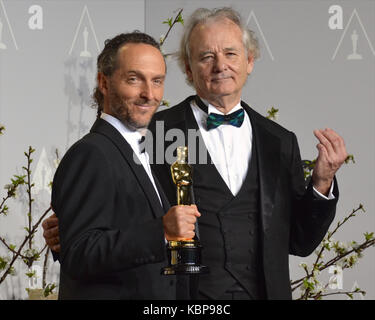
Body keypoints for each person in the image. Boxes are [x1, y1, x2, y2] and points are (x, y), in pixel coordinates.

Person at [44, 7, 348, 300]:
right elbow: (119, 211)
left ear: (250, 61)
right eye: (206, 57)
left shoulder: (280, 141)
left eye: (231, 53)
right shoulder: (153, 130)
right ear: (188, 69)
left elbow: (299, 240)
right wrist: (68, 234)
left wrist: (321, 183)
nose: (220, 66)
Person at [49, 31, 200, 299]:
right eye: (134, 79)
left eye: (157, 81)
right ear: (104, 83)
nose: (149, 94)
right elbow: (79, 253)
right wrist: (161, 231)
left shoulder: (148, 152)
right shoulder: (91, 154)